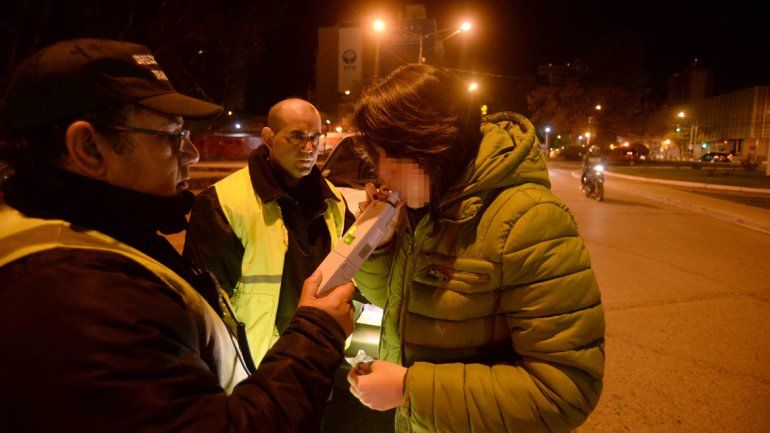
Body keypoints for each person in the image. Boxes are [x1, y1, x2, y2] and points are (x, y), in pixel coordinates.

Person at [0, 39, 354, 433]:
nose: (192, 155)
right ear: (88, 146)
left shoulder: (97, 237)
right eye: (171, 137)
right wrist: (317, 331)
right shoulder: (76, 295)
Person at [347, 64, 605, 433]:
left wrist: (410, 389)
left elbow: (565, 391)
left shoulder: (532, 220)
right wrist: (380, 246)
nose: (381, 174)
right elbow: (401, 307)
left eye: (387, 155)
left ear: (429, 146)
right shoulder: (424, 207)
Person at [184, 98, 354, 365]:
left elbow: (358, 274)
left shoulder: (332, 200)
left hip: (321, 355)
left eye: (315, 138)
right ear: (268, 138)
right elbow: (204, 308)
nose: (309, 148)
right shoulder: (223, 202)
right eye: (297, 137)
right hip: (256, 367)